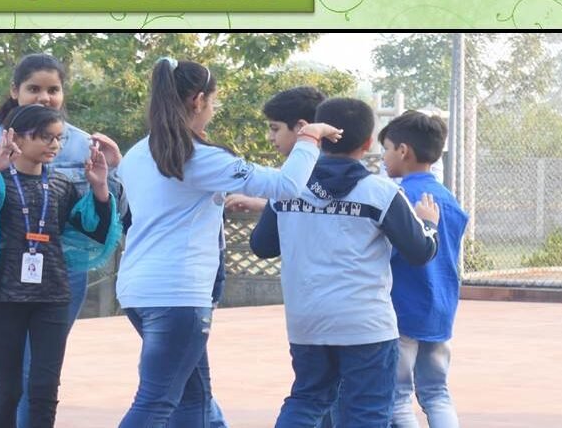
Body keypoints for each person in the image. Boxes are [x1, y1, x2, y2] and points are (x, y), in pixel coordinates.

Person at [116, 57, 343, 427]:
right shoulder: (197, 157)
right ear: (198, 100)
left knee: (194, 398)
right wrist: (309, 137)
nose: (213, 109)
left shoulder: (138, 153)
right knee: (157, 402)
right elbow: (287, 185)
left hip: (138, 290)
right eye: (214, 101)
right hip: (178, 295)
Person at [0, 54, 125, 427]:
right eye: (34, 88)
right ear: (15, 92)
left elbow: (98, 220)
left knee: (41, 378)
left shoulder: (83, 144)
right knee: (10, 380)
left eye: (53, 89)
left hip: (59, 277)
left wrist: (110, 176)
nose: (44, 97)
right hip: (4, 279)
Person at [249, 97, 441, 428]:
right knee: (367, 412)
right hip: (365, 324)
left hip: (307, 321)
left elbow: (262, 246)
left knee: (307, 400)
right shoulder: (381, 192)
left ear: (319, 136)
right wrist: (429, 225)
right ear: (368, 142)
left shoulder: (289, 188)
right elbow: (420, 251)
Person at [379, 111, 468, 428]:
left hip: (402, 309)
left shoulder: (398, 198)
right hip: (440, 309)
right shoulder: (448, 199)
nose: (384, 157)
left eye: (387, 149)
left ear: (403, 150)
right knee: (436, 392)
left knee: (398, 398)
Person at [224, 86, 326, 214]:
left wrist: (262, 204)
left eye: (275, 129)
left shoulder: (323, 172)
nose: (270, 137)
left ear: (300, 127)